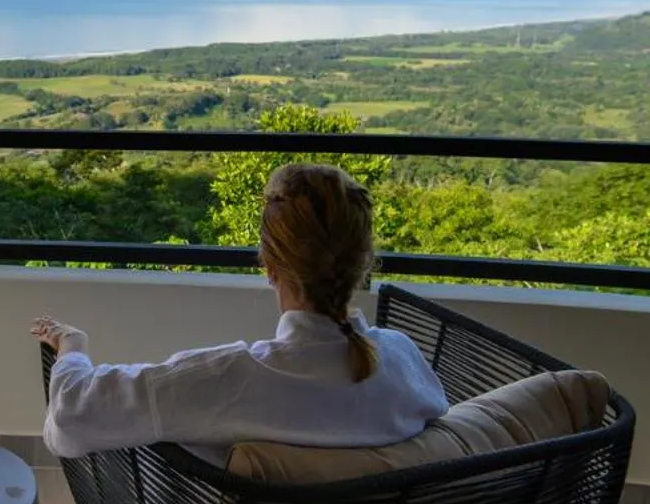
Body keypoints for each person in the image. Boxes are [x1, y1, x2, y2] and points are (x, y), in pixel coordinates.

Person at [31, 162, 448, 465]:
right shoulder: (404, 361)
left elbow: (70, 417)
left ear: (270, 267)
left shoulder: (225, 379)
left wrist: (72, 347)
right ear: (362, 264)